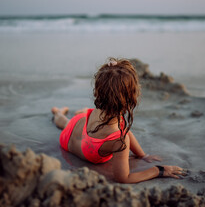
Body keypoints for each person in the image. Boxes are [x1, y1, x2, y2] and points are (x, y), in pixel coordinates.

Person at [51, 57, 185, 183]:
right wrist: (159, 170)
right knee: (68, 122)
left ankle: (58, 112)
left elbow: (126, 132)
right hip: (79, 137)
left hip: (69, 134)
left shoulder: (101, 110)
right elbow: (123, 178)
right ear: (129, 98)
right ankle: (61, 112)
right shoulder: (119, 140)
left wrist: (142, 155)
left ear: (98, 91)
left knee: (64, 122)